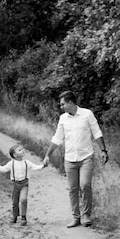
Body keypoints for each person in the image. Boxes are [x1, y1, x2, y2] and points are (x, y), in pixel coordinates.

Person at [42, 91, 108, 228]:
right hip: (70, 159)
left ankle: (86, 215)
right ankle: (75, 217)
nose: (61, 107)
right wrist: (47, 154)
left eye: (62, 104)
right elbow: (57, 138)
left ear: (70, 103)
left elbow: (96, 132)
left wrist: (103, 150)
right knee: (73, 189)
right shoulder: (63, 118)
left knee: (85, 185)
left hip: (86, 157)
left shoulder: (87, 114)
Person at [0, 144, 46, 226]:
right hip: (15, 184)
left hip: (24, 184)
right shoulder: (11, 163)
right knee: (15, 202)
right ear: (15, 155)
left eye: (22, 149)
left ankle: (23, 217)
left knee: (23, 200)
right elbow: (3, 169)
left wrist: (43, 166)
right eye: (20, 150)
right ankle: (15, 216)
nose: (23, 150)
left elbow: (35, 167)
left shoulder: (26, 162)